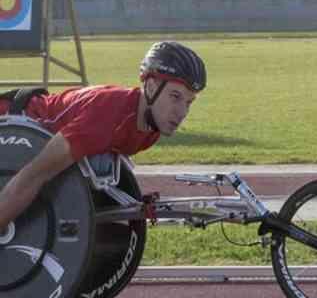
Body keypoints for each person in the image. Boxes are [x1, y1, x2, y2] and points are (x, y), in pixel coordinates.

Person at [0, 41, 206, 234]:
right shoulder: (107, 116)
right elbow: (33, 175)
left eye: (189, 102)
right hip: (11, 122)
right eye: (175, 97)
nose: (182, 112)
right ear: (151, 87)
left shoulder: (150, 130)